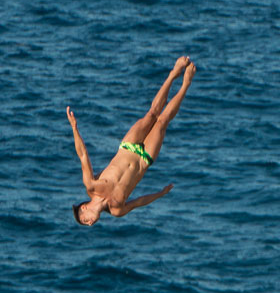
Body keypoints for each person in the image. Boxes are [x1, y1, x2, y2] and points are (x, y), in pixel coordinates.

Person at [68, 56, 196, 226]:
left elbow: (83, 155)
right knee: (163, 121)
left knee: (152, 114)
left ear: (84, 208)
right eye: (88, 224)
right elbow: (139, 202)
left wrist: (75, 129)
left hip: (128, 147)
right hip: (144, 160)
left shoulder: (92, 185)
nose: (90, 223)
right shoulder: (117, 210)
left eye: (85, 220)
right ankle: (186, 83)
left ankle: (173, 73)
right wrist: (160, 193)